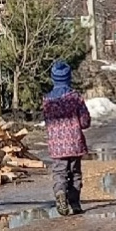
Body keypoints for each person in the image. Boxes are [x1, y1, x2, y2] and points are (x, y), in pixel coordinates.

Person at [43, 60, 91, 215]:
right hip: (74, 143)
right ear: (69, 77)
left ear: (53, 78)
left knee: (60, 173)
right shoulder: (75, 97)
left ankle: (60, 194)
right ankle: (75, 203)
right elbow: (84, 121)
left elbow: (47, 121)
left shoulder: (48, 100)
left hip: (57, 145)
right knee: (75, 173)